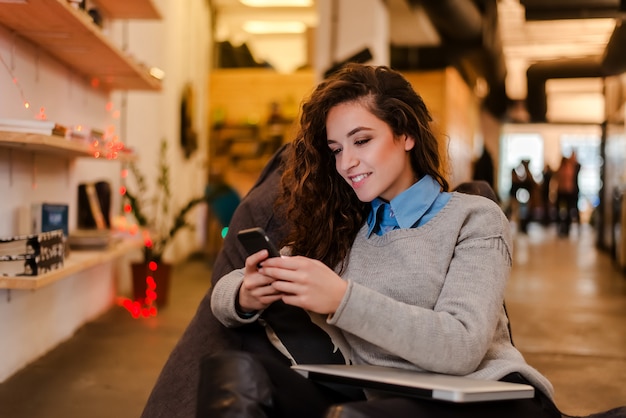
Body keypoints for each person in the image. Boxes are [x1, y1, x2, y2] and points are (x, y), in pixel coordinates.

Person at [199, 63, 560, 418]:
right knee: (234, 372)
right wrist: (246, 294)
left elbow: (462, 346)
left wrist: (341, 298)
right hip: (386, 395)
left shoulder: (473, 218)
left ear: (406, 135)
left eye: (362, 140)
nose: (346, 163)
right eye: (337, 149)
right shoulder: (341, 231)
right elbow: (225, 293)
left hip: (489, 398)